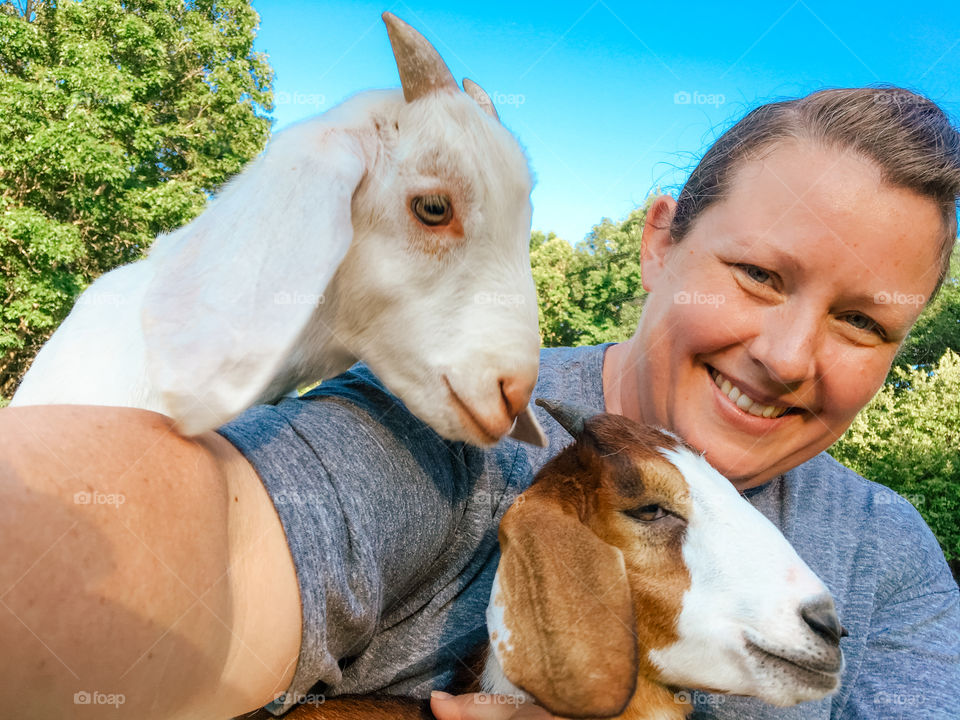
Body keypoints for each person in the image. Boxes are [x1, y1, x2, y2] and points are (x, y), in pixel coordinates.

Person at [1, 86, 958, 720]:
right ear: (662, 241)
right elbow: (220, 540)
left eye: (864, 325)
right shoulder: (464, 430)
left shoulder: (891, 559)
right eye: (755, 275)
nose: (788, 356)